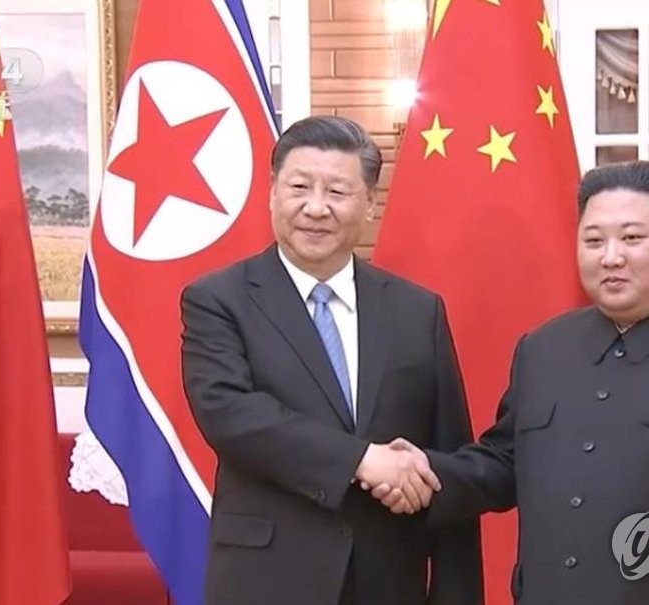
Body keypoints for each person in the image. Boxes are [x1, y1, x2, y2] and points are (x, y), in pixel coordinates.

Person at [372, 160, 649, 603]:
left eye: (632, 238)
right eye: (594, 240)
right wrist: (420, 472)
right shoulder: (543, 349)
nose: (611, 256)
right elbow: (503, 465)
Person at [180, 115, 482, 605]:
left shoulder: (417, 310)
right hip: (268, 579)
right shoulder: (219, 299)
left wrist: (456, 592)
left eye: (338, 192)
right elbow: (230, 414)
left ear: (368, 203)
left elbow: (445, 456)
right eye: (299, 186)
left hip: (390, 578)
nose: (315, 208)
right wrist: (362, 460)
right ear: (272, 192)